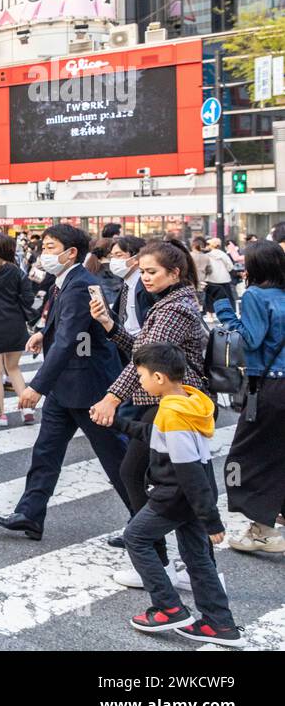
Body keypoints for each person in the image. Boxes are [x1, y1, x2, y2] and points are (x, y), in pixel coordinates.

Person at [0, 224, 127, 541]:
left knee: (116, 459)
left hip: (88, 386)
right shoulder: (66, 282)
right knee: (46, 452)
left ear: (71, 252)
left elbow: (68, 340)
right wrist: (42, 333)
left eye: (50, 247)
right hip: (66, 387)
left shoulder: (80, 284)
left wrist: (37, 386)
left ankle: (146, 525)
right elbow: (62, 326)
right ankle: (30, 514)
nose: (44, 253)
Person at [87, 240, 210, 582]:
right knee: (161, 480)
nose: (145, 279)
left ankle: (161, 561)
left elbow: (149, 358)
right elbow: (142, 353)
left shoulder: (174, 309)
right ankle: (191, 566)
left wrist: (111, 397)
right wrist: (111, 326)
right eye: (142, 272)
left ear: (175, 272)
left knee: (142, 474)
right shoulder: (170, 302)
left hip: (170, 405)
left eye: (152, 272)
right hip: (164, 404)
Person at [112, 344, 240, 647]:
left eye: (141, 375)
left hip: (174, 495)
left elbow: (189, 471)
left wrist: (212, 520)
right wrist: (117, 423)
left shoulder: (173, 416)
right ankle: (220, 624)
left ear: (158, 378)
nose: (139, 381)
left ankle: (168, 607)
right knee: (197, 557)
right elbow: (154, 437)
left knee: (136, 537)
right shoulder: (186, 404)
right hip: (189, 497)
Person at [214, 240, 285, 554]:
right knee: (279, 453)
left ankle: (263, 530)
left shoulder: (257, 295)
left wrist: (225, 312)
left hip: (268, 387)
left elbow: (250, 340)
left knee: (247, 457)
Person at [0, 234, 39, 426]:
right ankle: (27, 410)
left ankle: (1, 415)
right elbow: (29, 299)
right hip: (15, 324)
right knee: (13, 368)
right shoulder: (16, 272)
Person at [107, 235, 151, 336]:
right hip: (124, 340)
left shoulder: (145, 284)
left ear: (135, 258)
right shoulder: (127, 282)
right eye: (112, 256)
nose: (114, 261)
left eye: (119, 255)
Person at [200, 237, 235, 313]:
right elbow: (230, 266)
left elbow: (204, 267)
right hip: (224, 279)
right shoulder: (223, 255)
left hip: (211, 279)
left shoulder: (207, 255)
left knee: (210, 298)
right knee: (227, 297)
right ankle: (228, 312)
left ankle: (210, 313)